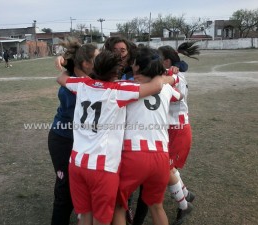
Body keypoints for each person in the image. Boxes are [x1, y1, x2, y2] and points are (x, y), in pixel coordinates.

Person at [56, 50, 166, 225]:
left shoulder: (83, 84)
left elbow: (61, 79)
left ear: (95, 66)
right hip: (102, 168)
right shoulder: (120, 89)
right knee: (102, 219)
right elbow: (157, 86)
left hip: (76, 163)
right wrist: (164, 75)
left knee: (85, 216)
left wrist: (66, 65)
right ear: (117, 72)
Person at [112, 46, 182, 225]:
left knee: (119, 206)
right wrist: (169, 77)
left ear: (138, 68)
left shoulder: (127, 87)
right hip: (160, 157)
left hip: (134, 154)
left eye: (135, 65)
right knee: (157, 206)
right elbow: (179, 95)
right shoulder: (166, 89)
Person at [132, 42, 200, 225]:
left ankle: (184, 205)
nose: (155, 64)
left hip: (178, 129)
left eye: (158, 60)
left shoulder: (175, 76)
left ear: (167, 61)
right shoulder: (171, 72)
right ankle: (185, 194)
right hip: (169, 129)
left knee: (166, 168)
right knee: (168, 167)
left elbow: (167, 81)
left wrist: (166, 73)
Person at [48, 37, 100, 225]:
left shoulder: (88, 77)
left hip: (82, 140)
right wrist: (63, 60)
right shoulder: (76, 82)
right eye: (97, 58)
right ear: (85, 63)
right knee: (65, 189)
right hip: (62, 138)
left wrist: (63, 59)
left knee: (79, 186)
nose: (100, 62)